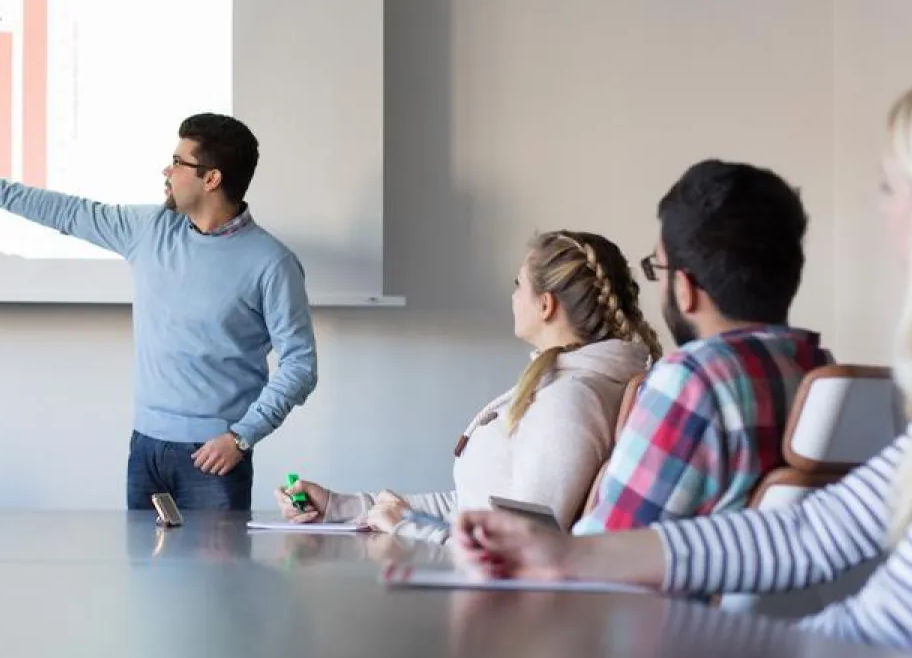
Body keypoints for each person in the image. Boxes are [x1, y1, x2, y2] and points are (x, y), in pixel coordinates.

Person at [453, 64, 912, 658]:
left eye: (893, 187)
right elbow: (818, 529)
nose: (886, 214)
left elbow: (896, 626)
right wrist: (570, 556)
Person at [0, 113, 318, 511]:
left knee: (214, 579)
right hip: (145, 447)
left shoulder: (271, 262)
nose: (167, 170)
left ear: (211, 178)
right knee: (145, 575)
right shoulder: (150, 229)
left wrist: (242, 437)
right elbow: (67, 212)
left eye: (178, 163)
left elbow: (300, 364)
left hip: (214, 455)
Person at [276, 230, 663, 539]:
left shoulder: (570, 402)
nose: (512, 297)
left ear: (546, 305)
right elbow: (473, 506)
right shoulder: (565, 387)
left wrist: (408, 527)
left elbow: (522, 547)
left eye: (518, 285)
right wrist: (340, 506)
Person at [572, 159, 833, 534]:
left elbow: (606, 544)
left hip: (666, 592)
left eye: (657, 268)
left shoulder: (692, 381)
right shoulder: (819, 369)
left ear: (684, 288)